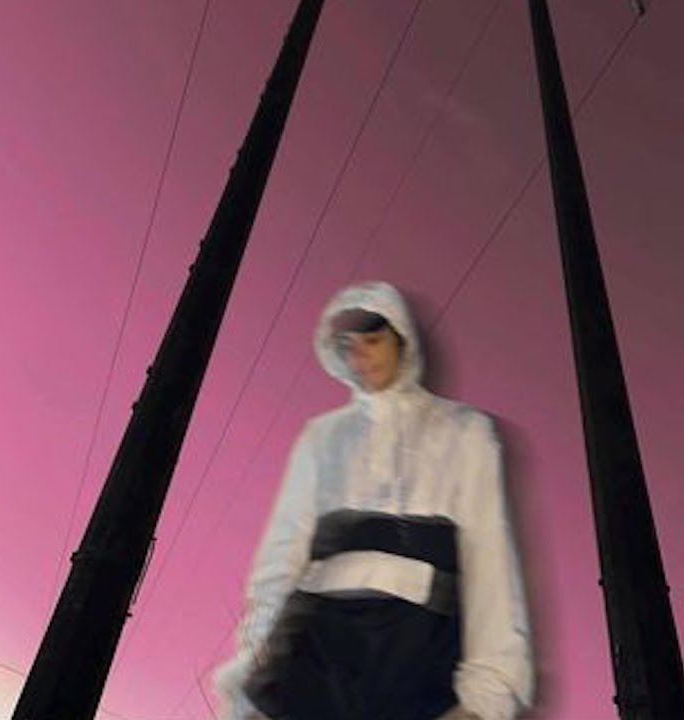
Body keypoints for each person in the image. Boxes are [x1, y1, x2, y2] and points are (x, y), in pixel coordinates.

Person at [212, 281, 534, 720]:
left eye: (373, 340)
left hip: (413, 649)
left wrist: (487, 693)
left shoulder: (464, 431)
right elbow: (282, 556)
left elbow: (489, 557)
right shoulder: (322, 437)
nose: (361, 356)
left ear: (403, 339)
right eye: (348, 346)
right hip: (314, 647)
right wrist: (256, 659)